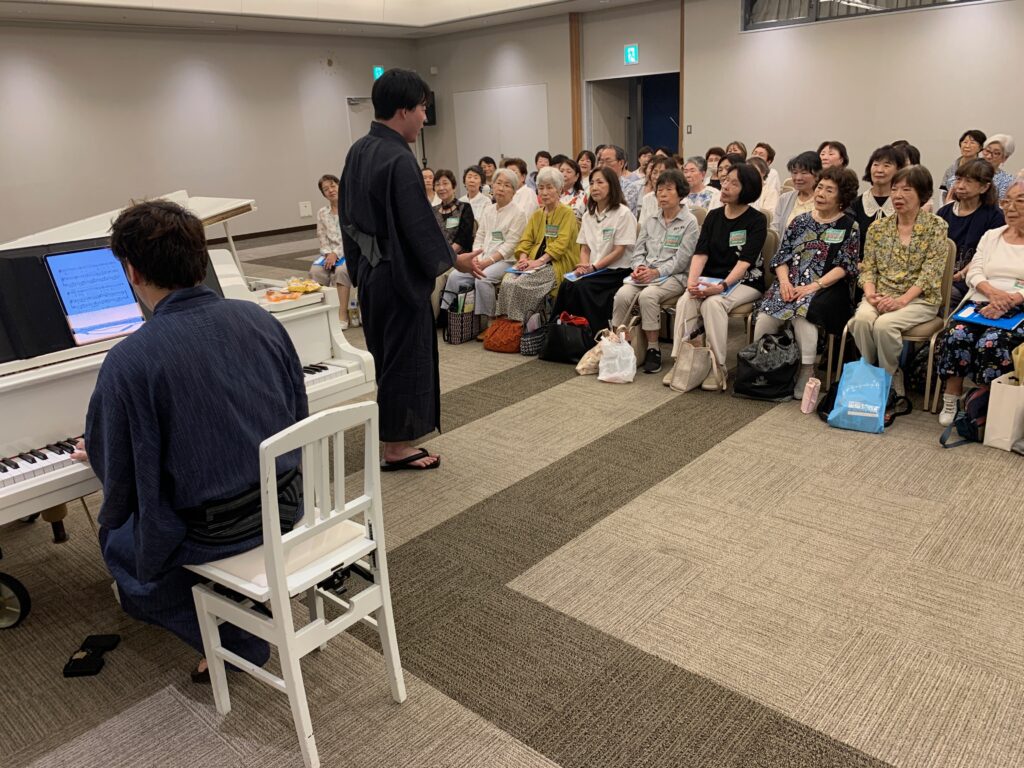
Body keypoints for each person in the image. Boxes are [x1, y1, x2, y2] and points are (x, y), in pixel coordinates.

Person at [75, 200, 308, 680]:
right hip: (286, 501)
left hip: (214, 531)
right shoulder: (260, 319)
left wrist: (95, 451)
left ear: (132, 272)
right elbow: (296, 414)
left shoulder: (128, 359)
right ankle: (234, 598)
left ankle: (235, 637)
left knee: (119, 541)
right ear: (201, 260)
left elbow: (120, 479)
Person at [340, 68, 481, 470]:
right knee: (406, 358)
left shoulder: (359, 150)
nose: (424, 117)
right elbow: (418, 225)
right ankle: (397, 447)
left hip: (372, 273)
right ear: (403, 110)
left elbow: (346, 219)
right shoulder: (398, 158)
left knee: (387, 355)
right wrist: (454, 258)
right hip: (398, 276)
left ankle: (393, 438)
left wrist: (361, 267)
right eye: (421, 108)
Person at [755, 167, 861, 398]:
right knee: (766, 314)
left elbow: (845, 266)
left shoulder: (848, 226)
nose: (820, 193)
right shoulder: (800, 221)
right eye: (820, 187)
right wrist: (784, 283)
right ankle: (763, 365)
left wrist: (814, 286)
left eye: (829, 190)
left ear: (842, 198)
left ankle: (806, 370)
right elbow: (781, 257)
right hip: (790, 282)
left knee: (804, 313)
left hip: (827, 287)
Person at [848, 165, 948, 396]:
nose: (898, 196)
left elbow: (930, 273)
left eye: (906, 190)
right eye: (894, 189)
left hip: (919, 300)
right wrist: (870, 294)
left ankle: (891, 374)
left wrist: (901, 301)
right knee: (861, 320)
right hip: (880, 294)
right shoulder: (878, 227)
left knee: (885, 325)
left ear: (922, 194)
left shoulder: (936, 226)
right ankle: (871, 371)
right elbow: (869, 268)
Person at [936, 180, 1024, 425]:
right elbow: (974, 270)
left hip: (1019, 307)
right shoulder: (992, 235)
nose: (1011, 207)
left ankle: (984, 404)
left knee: (992, 341)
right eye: (1007, 201)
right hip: (982, 301)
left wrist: (1012, 299)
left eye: (1020, 201)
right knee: (956, 333)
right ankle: (951, 397)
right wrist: (992, 293)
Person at [673, 163, 767, 391]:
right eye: (725, 180)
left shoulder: (756, 220)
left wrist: (723, 286)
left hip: (745, 280)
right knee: (686, 300)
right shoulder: (713, 216)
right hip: (712, 279)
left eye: (734, 183)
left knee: (713, 304)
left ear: (747, 189)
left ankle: (717, 366)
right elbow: (701, 253)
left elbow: (745, 262)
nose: (725, 186)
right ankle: (683, 362)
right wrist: (692, 283)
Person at [611, 169, 699, 374]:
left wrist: (656, 272)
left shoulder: (689, 222)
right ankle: (619, 344)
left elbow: (682, 260)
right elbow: (638, 252)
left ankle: (653, 348)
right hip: (646, 274)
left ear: (680, 193)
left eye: (668, 189)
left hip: (675, 276)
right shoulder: (650, 220)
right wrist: (639, 268)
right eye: (659, 190)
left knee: (648, 296)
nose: (662, 194)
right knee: (622, 295)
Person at [552, 166, 637, 335]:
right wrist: (584, 266)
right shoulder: (588, 215)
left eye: (600, 182)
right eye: (591, 183)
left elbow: (619, 251)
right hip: (594, 270)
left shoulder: (623, 213)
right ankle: (563, 333)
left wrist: (594, 267)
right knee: (567, 285)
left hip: (616, 270)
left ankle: (594, 334)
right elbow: (585, 247)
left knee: (583, 287)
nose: (595, 187)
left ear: (612, 185)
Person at [441, 167, 527, 325]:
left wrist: (487, 262)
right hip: (482, 258)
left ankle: (489, 322)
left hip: (505, 261)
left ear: (514, 191)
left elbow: (510, 245)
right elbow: (479, 236)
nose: (501, 188)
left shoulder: (519, 213)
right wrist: (475, 258)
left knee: (483, 278)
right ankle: (450, 318)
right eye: (498, 183)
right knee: (455, 276)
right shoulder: (489, 209)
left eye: (507, 185)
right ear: (492, 186)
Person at [494, 166, 580, 322]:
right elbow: (525, 240)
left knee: (521, 284)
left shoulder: (567, 213)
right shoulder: (537, 215)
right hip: (532, 263)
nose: (544, 192)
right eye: (541, 188)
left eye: (549, 187)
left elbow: (560, 245)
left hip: (556, 263)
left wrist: (538, 262)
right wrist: (523, 259)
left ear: (559, 189)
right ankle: (506, 324)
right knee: (507, 281)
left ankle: (521, 325)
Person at [937, 158, 1005, 308]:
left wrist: (961, 274)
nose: (960, 186)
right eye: (958, 179)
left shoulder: (995, 217)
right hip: (939, 276)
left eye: (968, 181)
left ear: (984, 187)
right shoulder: (943, 213)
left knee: (944, 295)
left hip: (971, 281)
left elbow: (987, 255)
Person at [309, 173, 355, 329]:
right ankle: (322, 313)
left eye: (333, 186)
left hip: (349, 252)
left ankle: (342, 313)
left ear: (340, 186)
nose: (330, 190)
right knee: (315, 271)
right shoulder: (322, 213)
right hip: (328, 254)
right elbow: (321, 236)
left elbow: (352, 236)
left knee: (341, 271)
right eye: (326, 189)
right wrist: (328, 253)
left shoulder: (351, 209)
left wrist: (336, 253)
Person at [848, 145, 904, 259]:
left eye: (886, 165)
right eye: (876, 164)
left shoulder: (903, 204)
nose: (879, 170)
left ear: (898, 170)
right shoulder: (854, 205)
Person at [772, 151, 822, 236]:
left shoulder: (823, 200)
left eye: (804, 173)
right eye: (794, 173)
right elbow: (775, 228)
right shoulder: (784, 198)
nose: (798, 178)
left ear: (817, 175)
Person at [432, 169, 475, 254]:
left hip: (459, 256)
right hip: (437, 255)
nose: (441, 188)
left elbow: (463, 239)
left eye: (445, 183)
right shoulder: (433, 211)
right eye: (437, 184)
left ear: (454, 187)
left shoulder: (465, 208)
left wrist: (447, 255)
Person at [598, 144, 644, 216]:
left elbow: (619, 212)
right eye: (601, 162)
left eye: (608, 161)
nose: (604, 166)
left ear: (621, 163)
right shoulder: (595, 185)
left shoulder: (630, 187)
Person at [939, 129, 986, 197]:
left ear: (980, 147)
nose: (967, 146)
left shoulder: (983, 168)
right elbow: (943, 191)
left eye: (972, 143)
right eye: (965, 142)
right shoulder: (952, 168)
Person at [638, 155, 678, 230]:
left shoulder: (680, 199)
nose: (657, 177)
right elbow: (642, 227)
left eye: (662, 173)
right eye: (654, 172)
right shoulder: (647, 199)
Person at [981, 134, 1017, 199]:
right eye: (987, 151)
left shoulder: (1008, 181)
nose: (989, 156)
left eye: (996, 153)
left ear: (1005, 158)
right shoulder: (969, 170)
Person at [558, 156, 588, 221]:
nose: (564, 175)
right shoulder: (553, 194)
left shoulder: (581, 195)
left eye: (568, 172)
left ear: (576, 176)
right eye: (561, 171)